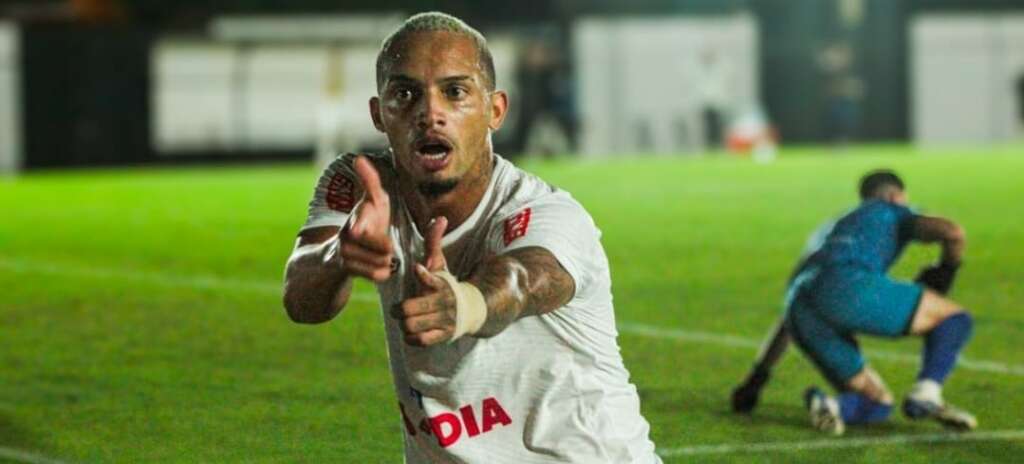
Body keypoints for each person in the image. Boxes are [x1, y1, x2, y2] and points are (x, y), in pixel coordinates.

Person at [282, 12, 660, 463]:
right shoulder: (363, 186)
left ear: (494, 110)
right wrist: (340, 255)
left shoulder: (545, 213)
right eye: (405, 94)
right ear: (379, 113)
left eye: (455, 92)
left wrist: (466, 303)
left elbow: (522, 281)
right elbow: (302, 302)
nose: (430, 113)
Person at [730, 169, 977, 435]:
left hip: (799, 306)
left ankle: (831, 405)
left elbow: (789, 311)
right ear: (896, 195)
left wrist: (756, 380)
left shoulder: (828, 232)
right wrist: (947, 268)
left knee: (876, 403)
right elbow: (952, 232)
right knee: (955, 318)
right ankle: (926, 393)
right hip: (848, 286)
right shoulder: (893, 210)